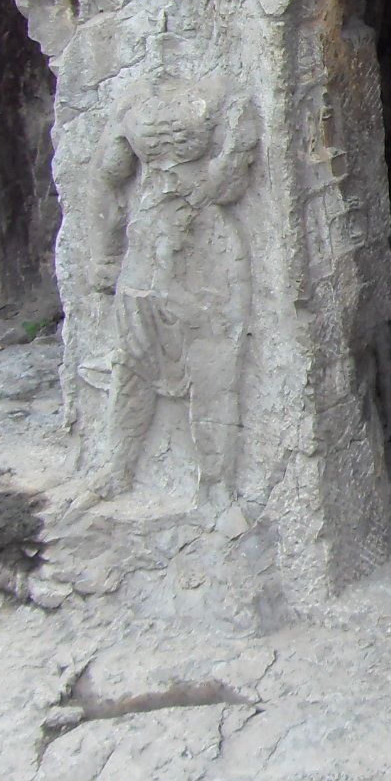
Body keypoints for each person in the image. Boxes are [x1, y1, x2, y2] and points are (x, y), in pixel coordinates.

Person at [83, 80, 257, 506]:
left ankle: (217, 486)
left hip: (205, 249)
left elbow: (233, 176)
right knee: (130, 362)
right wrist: (104, 255)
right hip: (145, 247)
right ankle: (118, 466)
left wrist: (204, 187)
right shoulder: (133, 104)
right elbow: (107, 179)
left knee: (213, 365)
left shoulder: (227, 99)